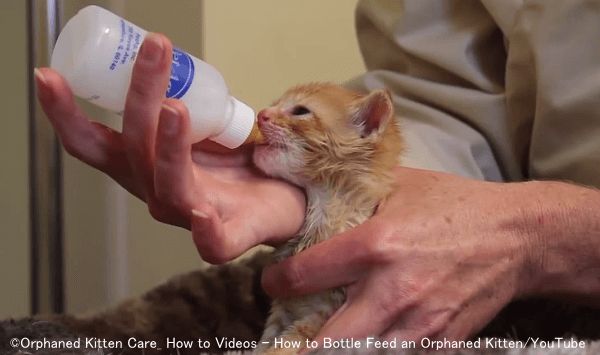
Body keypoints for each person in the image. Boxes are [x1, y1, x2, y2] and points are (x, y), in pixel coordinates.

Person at [35, 0, 600, 343]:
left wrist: (543, 233)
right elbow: (445, 98)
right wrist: (311, 195)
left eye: (295, 112)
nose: (266, 117)